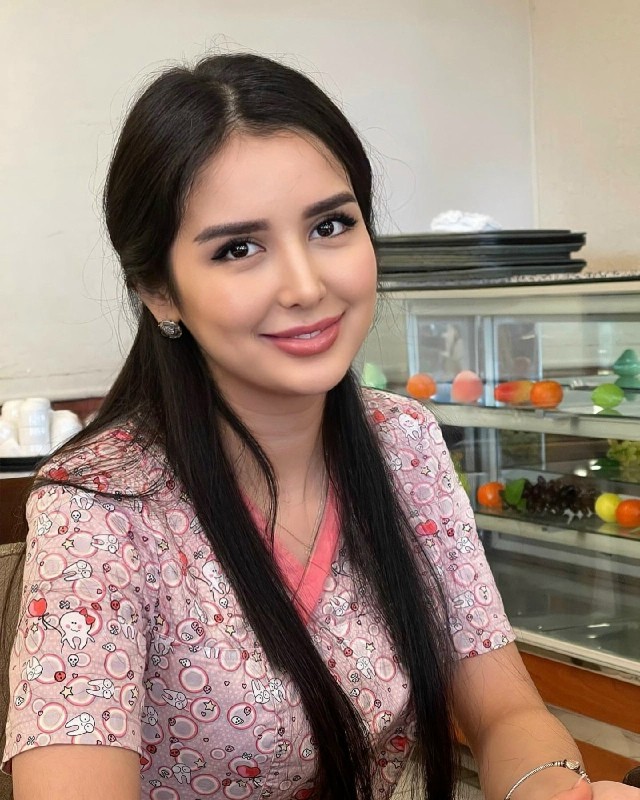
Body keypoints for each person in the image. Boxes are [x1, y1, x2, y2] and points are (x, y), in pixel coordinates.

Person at [1, 53, 637, 800]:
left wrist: (551, 789)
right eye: (239, 248)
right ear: (159, 291)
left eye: (331, 225)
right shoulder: (98, 507)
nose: (306, 286)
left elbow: (505, 713)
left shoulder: (405, 444)